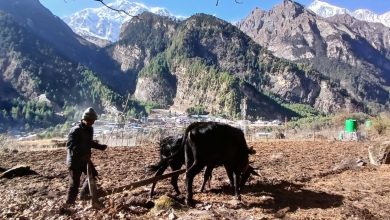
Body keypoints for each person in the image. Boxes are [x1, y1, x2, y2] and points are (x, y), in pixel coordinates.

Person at [64, 107, 107, 206]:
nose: (92, 123)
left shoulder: (90, 129)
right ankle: (69, 204)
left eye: (93, 121)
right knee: (74, 184)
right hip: (74, 161)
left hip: (85, 159)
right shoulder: (75, 130)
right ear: (84, 119)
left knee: (92, 176)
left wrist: (100, 147)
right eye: (90, 121)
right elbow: (70, 146)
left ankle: (83, 194)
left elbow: (89, 142)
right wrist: (81, 155)